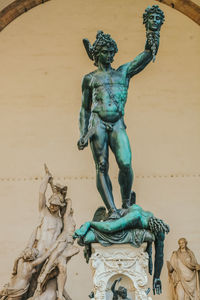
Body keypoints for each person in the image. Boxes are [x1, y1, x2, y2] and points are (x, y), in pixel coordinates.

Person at [77, 6, 165, 218]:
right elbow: (84, 109)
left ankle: (125, 203)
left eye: (111, 52)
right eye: (104, 52)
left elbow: (144, 56)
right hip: (97, 124)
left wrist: (153, 32)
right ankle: (112, 210)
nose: (109, 55)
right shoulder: (90, 79)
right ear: (96, 54)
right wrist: (82, 132)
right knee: (102, 165)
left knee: (125, 163)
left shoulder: (123, 73)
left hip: (117, 124)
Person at [74, 203, 169, 295]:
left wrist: (157, 277)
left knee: (149, 237)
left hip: (126, 224)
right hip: (117, 221)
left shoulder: (157, 228)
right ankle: (89, 224)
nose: (155, 237)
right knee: (86, 238)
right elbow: (109, 228)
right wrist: (90, 224)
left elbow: (159, 255)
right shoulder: (136, 216)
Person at [33, 198, 79, 300]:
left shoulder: (65, 219)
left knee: (62, 269)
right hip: (63, 240)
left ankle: (60, 295)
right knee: (56, 262)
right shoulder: (66, 217)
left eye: (56, 205)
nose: (70, 210)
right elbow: (68, 204)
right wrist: (67, 201)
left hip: (68, 244)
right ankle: (43, 277)